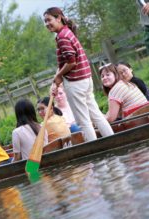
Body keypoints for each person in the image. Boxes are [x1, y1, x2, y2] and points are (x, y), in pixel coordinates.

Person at [44, 7, 114, 141]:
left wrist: (58, 76)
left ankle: (96, 155)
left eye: (49, 20)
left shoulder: (62, 37)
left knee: (84, 122)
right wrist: (57, 77)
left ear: (58, 18)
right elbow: (68, 61)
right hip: (86, 80)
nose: (47, 24)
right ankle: (112, 142)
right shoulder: (67, 32)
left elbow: (71, 62)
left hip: (75, 83)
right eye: (45, 21)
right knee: (97, 116)